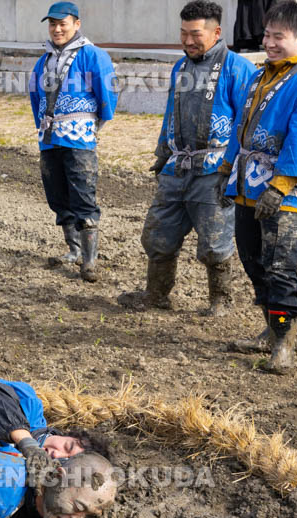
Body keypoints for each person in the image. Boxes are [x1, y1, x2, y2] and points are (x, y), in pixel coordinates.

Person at [118, 2, 255, 316]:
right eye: (183, 33)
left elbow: (247, 122)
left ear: (216, 32)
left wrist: (234, 170)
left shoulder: (238, 68)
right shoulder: (181, 67)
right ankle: (156, 295)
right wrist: (162, 152)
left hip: (215, 169)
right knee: (157, 233)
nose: (188, 41)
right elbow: (171, 113)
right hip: (176, 168)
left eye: (196, 34)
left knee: (215, 239)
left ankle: (221, 300)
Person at [218, 1, 297, 374]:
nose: (268, 42)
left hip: (283, 191)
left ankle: (283, 343)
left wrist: (278, 187)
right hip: (247, 185)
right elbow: (241, 126)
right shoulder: (260, 75)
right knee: (253, 261)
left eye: (277, 36)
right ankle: (270, 329)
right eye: (266, 34)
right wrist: (225, 167)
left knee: (280, 267)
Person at [29, 1, 117, 282]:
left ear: (76, 24)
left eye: (62, 23)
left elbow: (108, 94)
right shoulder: (43, 61)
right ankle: (74, 249)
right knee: (58, 196)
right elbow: (34, 99)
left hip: (79, 140)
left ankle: (89, 260)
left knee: (83, 196)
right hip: (49, 139)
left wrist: (92, 126)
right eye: (52, 24)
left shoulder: (93, 55)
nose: (56, 29)